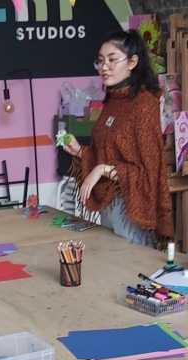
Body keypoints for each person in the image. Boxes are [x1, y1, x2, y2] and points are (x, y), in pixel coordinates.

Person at [60, 30, 172, 247]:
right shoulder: (112, 101)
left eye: (112, 60)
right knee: (110, 262)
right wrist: (80, 151)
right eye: (100, 61)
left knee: (129, 264)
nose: (104, 67)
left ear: (132, 62)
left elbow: (149, 172)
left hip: (132, 208)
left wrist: (102, 170)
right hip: (109, 205)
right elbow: (108, 153)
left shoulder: (144, 105)